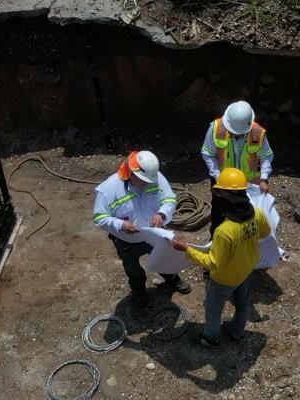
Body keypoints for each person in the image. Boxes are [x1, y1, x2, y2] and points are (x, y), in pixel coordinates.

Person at [169, 168, 271, 347]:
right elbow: (266, 233)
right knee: (242, 304)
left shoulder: (224, 231)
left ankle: (210, 338)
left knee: (213, 309)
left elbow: (213, 263)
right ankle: (237, 332)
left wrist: (186, 249)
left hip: (224, 279)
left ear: (224, 199)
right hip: (247, 270)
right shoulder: (257, 213)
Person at [93, 150, 191, 307]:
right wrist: (120, 225)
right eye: (143, 180)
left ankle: (172, 279)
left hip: (154, 234)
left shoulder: (155, 177)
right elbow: (99, 218)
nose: (148, 184)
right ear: (131, 173)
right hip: (127, 240)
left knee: (163, 259)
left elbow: (169, 199)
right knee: (134, 270)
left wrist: (161, 214)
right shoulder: (109, 189)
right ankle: (139, 292)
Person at [200, 100, 274, 236]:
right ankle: (215, 241)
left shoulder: (258, 133)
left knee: (246, 215)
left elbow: (266, 156)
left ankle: (242, 243)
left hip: (248, 184)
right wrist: (218, 176)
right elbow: (207, 154)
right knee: (219, 213)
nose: (235, 134)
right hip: (223, 181)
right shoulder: (216, 128)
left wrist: (264, 179)